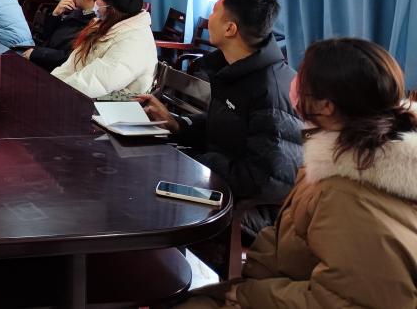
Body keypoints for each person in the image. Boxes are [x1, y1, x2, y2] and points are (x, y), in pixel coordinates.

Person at [178, 38, 417, 309]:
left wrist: (248, 295)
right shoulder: (342, 159)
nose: (293, 82)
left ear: (326, 105)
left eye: (302, 76)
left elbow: (351, 300)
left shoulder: (348, 192)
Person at [139, 0, 302, 236]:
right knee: (140, 173)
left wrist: (193, 162)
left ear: (230, 28)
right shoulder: (236, 70)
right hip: (221, 185)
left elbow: (265, 181)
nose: (209, 18)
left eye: (215, 11)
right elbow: (227, 125)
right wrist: (178, 123)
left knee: (145, 196)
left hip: (251, 212)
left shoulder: (269, 91)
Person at [50, 0, 155, 99]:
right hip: (86, 95)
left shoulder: (134, 42)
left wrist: (55, 92)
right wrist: (51, 83)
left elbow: (95, 82)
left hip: (116, 105)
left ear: (111, 8)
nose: (95, 0)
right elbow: (72, 64)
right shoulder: (106, 26)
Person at [22, 0, 104, 71]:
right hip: (40, 54)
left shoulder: (94, 24)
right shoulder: (81, 12)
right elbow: (47, 36)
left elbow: (69, 58)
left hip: (51, 69)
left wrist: (35, 54)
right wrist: (56, 14)